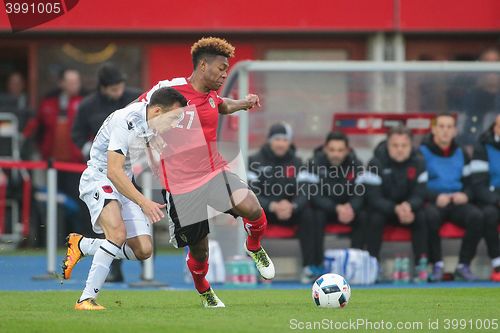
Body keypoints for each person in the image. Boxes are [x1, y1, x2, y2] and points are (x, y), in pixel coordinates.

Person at [138, 37, 275, 308]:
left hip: (213, 172)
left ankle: (254, 246)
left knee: (253, 208)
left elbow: (220, 105)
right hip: (181, 187)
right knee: (200, 251)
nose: (225, 74)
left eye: (227, 69)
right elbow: (137, 112)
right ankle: (204, 290)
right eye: (222, 68)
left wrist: (244, 103)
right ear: (203, 66)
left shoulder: (211, 95)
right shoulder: (171, 90)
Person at [62, 87, 187, 310]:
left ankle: (83, 244)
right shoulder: (126, 120)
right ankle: (86, 299)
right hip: (100, 178)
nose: (176, 123)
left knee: (143, 250)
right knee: (117, 234)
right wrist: (144, 201)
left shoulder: (154, 121)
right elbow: (114, 171)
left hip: (124, 183)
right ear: (158, 111)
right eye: (174, 118)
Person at [72, 63, 142, 282]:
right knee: (111, 225)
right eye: (113, 88)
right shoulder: (88, 106)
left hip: (130, 169)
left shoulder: (135, 99)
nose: (118, 92)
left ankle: (145, 267)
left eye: (120, 86)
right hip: (102, 169)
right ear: (102, 88)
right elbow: (77, 134)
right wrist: (90, 148)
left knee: (140, 219)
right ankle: (113, 268)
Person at [421, 112, 484, 281]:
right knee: (429, 216)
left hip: (456, 202)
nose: (445, 131)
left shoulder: (461, 153)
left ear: (455, 131)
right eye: (441, 126)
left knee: (477, 216)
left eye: (449, 127)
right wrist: (435, 197)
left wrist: (466, 195)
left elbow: (471, 182)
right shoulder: (422, 152)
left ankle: (463, 265)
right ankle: (437, 265)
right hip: (434, 201)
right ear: (433, 129)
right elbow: (418, 185)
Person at [247, 123, 310, 283]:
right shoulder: (254, 161)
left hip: (290, 212)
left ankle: (310, 267)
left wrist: (292, 206)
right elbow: (250, 192)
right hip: (264, 211)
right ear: (270, 141)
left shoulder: (297, 162)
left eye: (284, 139)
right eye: (277, 139)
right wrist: (272, 206)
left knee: (312, 215)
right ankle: (254, 267)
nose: (281, 143)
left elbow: (304, 191)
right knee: (247, 212)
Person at [363, 126, 428, 272]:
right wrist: (395, 208)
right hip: (385, 209)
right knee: (374, 217)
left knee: (423, 216)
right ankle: (373, 265)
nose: (399, 149)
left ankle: (421, 265)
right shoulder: (375, 163)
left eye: (404, 146)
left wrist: (409, 206)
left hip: (408, 210)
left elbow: (420, 194)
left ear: (411, 146)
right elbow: (374, 198)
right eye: (395, 145)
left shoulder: (419, 162)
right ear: (387, 145)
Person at [304, 131, 364, 283]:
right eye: (332, 150)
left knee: (366, 215)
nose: (336, 154)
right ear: (325, 149)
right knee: (312, 214)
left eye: (340, 150)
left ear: (347, 150)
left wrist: (351, 208)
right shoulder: (313, 164)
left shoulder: (357, 165)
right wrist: (336, 208)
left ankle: (358, 266)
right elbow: (313, 195)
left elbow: (362, 193)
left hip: (349, 210)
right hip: (325, 210)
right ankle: (314, 266)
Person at [470, 114, 500, 282]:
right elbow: (478, 184)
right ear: (495, 128)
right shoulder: (483, 147)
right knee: (489, 215)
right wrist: (496, 200)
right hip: (491, 197)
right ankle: (498, 264)